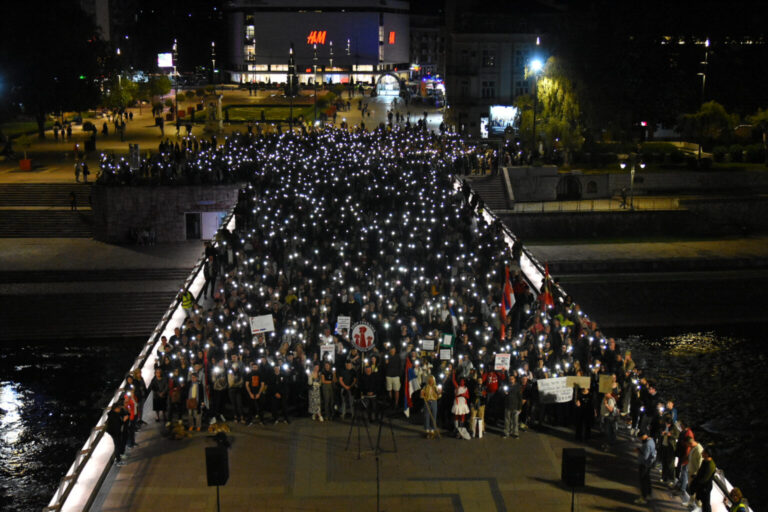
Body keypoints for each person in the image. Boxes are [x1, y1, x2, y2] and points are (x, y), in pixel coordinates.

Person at [689, 448, 716, 512]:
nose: (701, 453)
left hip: (705, 487)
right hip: (703, 486)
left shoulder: (710, 465)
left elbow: (704, 479)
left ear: (707, 454)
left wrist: (696, 483)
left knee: (706, 504)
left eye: (703, 452)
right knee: (705, 503)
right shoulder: (705, 461)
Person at [635, 431, 656, 505]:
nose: (640, 439)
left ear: (643, 436)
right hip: (648, 464)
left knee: (643, 481)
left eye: (640, 438)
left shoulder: (647, 444)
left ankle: (643, 497)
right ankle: (649, 494)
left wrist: (639, 451)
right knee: (647, 479)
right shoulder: (652, 441)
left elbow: (645, 457)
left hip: (644, 465)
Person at [451, 370, 470, 439]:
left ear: (464, 382)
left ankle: (461, 428)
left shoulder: (466, 388)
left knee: (462, 415)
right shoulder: (457, 387)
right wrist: (453, 373)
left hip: (463, 402)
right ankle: (456, 428)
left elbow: (468, 396)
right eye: (461, 381)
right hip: (458, 401)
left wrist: (464, 395)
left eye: (463, 381)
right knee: (456, 415)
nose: (462, 382)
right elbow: (453, 381)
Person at [502, 373, 522, 438]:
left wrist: (520, 407)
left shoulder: (518, 387)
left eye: (512, 379)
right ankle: (506, 432)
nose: (511, 380)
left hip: (515, 406)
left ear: (514, 379)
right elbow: (503, 396)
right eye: (510, 379)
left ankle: (515, 433)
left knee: (515, 421)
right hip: (508, 405)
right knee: (507, 420)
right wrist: (505, 393)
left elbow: (520, 397)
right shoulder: (507, 386)